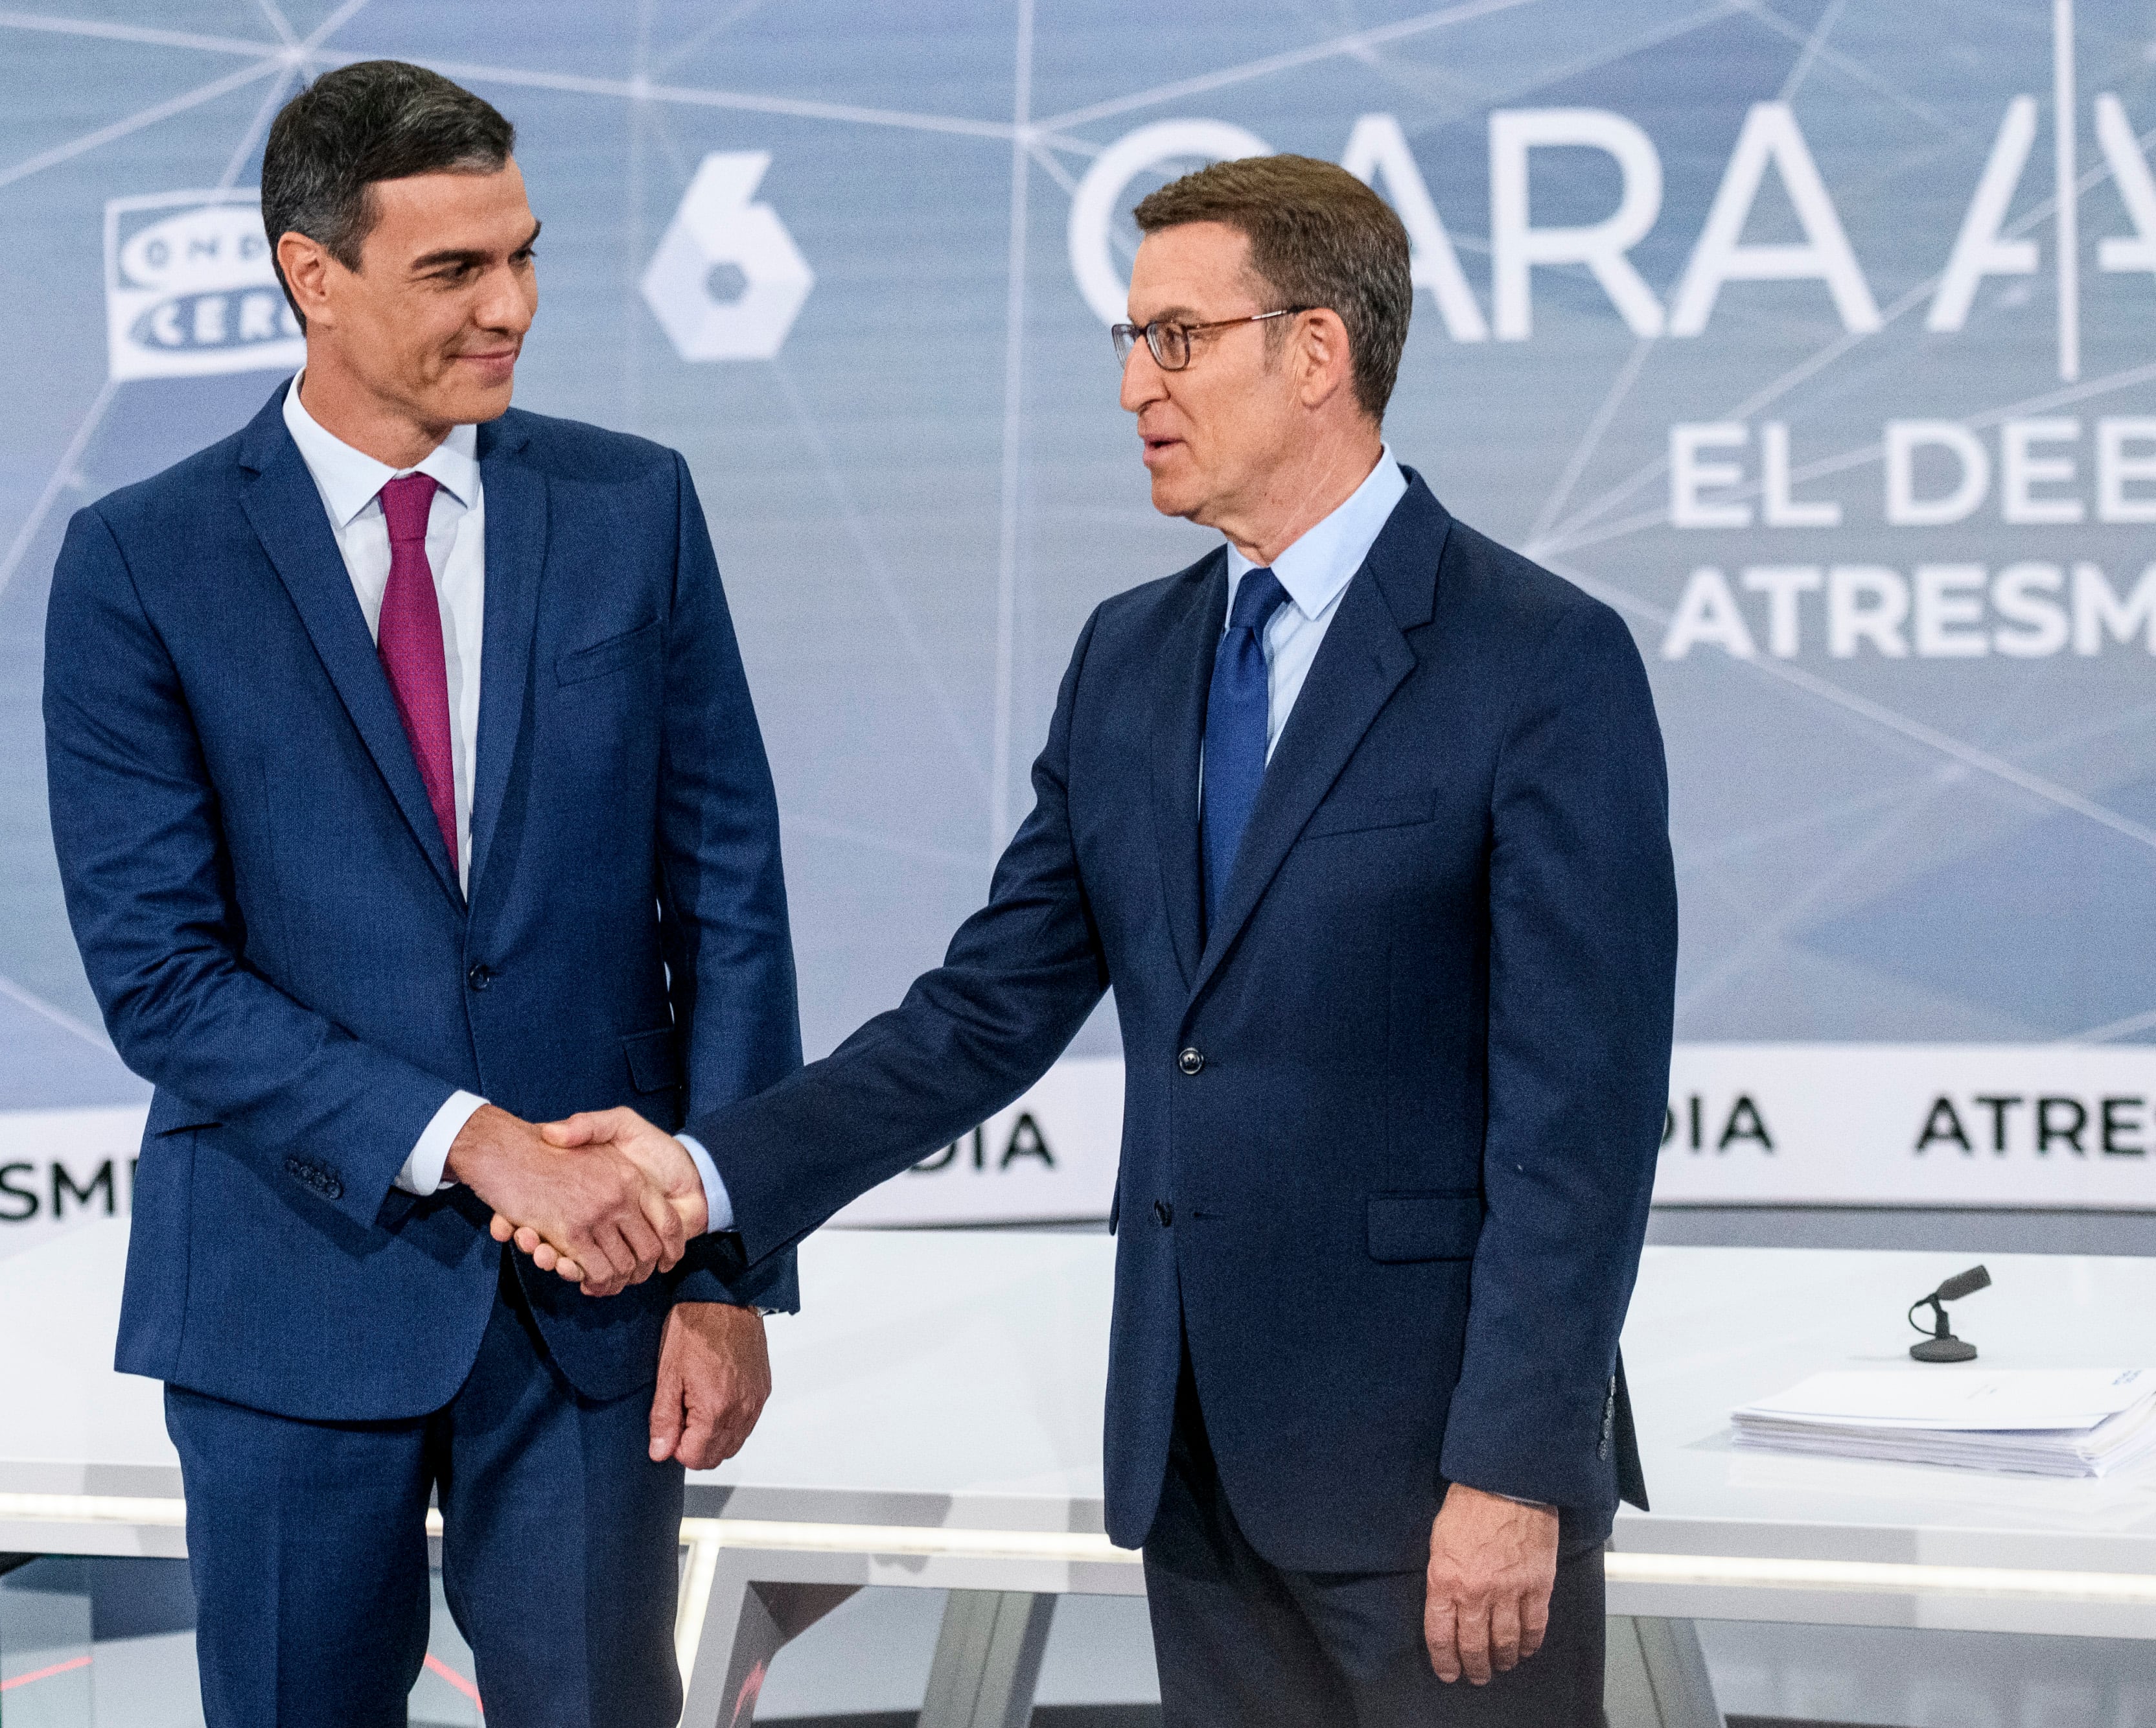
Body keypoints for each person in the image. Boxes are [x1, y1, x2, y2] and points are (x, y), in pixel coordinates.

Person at [520, 154, 1675, 1724]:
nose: (1134, 382)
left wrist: (1514, 1467)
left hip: (1439, 1488)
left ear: (1317, 352)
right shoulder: (1127, 660)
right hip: (1195, 1466)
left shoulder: (1537, 659)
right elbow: (975, 1018)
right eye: (1126, 341)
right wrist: (706, 1174)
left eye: (1176, 339)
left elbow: (1579, 1123)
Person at [43, 60, 799, 1728]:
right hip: (286, 1287)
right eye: (454, 271)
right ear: (312, 273)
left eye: (521, 256)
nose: (509, 306)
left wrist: (727, 1270)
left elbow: (729, 901)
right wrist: (472, 1134)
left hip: (603, 1306)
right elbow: (160, 975)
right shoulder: (141, 559)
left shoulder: (632, 505)